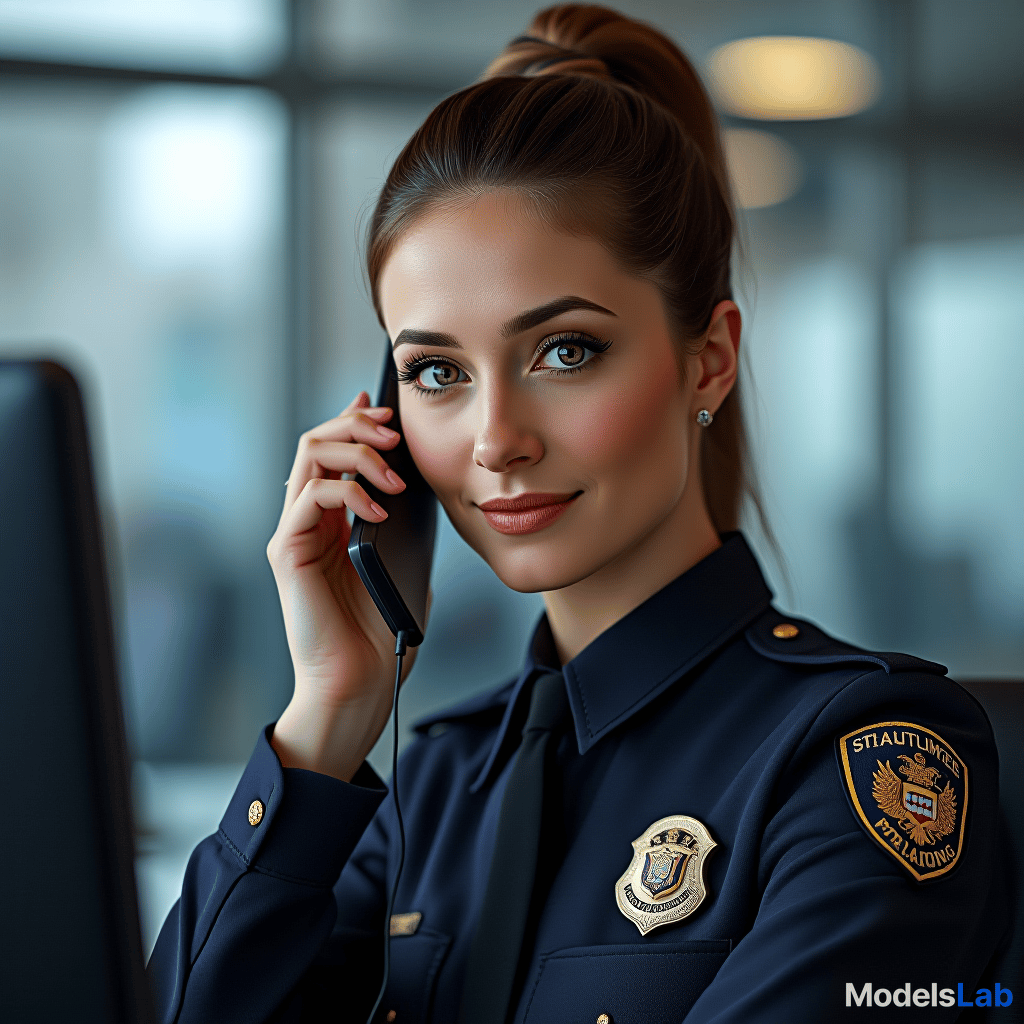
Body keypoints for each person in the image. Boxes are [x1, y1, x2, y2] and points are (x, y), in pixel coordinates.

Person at [147, 5, 1010, 1021]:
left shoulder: (863, 756)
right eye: (435, 371)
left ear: (710, 357)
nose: (494, 438)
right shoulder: (431, 779)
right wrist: (327, 714)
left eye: (564, 350)